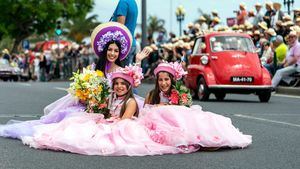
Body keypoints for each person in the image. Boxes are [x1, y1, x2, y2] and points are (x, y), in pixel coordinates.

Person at [110, 0, 138, 67]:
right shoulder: (133, 2)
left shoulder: (123, 2)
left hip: (123, 45)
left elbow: (120, 28)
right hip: (131, 43)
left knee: (120, 75)